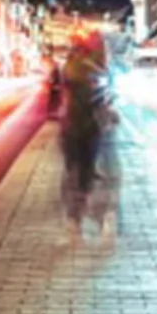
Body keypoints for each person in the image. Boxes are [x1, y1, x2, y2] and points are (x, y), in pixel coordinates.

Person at [59, 31, 111, 233]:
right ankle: (78, 213)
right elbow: (96, 97)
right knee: (83, 172)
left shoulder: (75, 65)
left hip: (75, 125)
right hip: (85, 126)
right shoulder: (88, 68)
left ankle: (76, 214)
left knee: (75, 169)